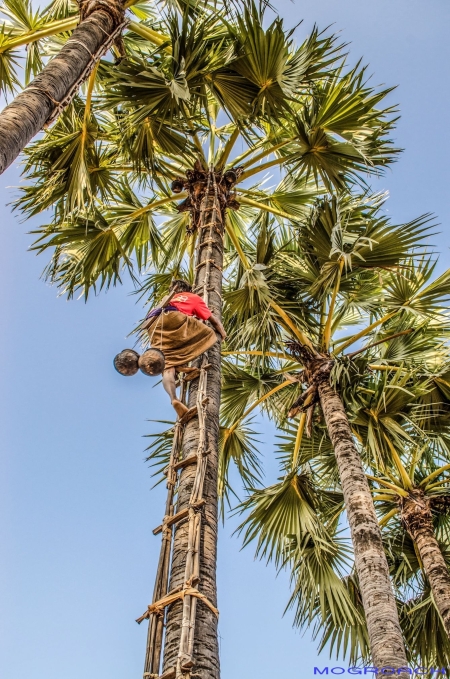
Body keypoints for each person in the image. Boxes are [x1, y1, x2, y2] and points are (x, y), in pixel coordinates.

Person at [145, 280, 226, 418]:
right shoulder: (193, 297)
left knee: (168, 366)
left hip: (153, 325)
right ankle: (182, 365)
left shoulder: (167, 300)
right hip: (174, 318)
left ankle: (174, 399)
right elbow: (214, 321)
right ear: (189, 290)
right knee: (208, 334)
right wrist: (223, 334)